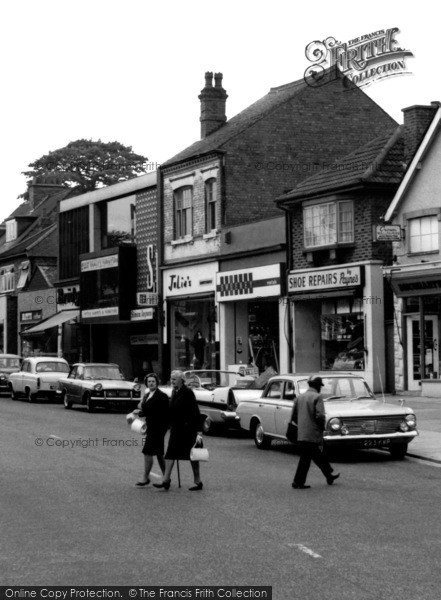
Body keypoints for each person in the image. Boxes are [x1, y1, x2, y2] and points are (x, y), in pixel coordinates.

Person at [153, 369, 204, 491]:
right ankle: (166, 481)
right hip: (176, 429)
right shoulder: (174, 391)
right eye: (171, 379)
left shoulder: (188, 392)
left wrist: (198, 430)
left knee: (192, 456)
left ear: (182, 380)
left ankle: (198, 481)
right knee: (170, 454)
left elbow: (195, 411)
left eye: (174, 379)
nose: (172, 381)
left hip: (188, 429)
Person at [292, 375, 340, 489]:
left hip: (302, 432)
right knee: (309, 457)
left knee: (312, 456)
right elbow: (320, 416)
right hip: (312, 433)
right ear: (317, 386)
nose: (320, 388)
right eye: (320, 386)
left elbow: (294, 416)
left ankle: (328, 475)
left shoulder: (300, 397)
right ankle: (298, 482)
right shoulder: (317, 397)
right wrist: (321, 428)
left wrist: (303, 425)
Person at [135, 373, 169, 487]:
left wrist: (141, 409)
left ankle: (145, 477)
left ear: (157, 383)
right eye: (149, 381)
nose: (151, 383)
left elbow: (159, 412)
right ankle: (166, 478)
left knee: (147, 451)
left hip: (159, 427)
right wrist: (140, 412)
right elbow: (146, 410)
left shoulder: (162, 396)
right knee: (159, 453)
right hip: (151, 426)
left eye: (153, 381)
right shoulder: (147, 395)